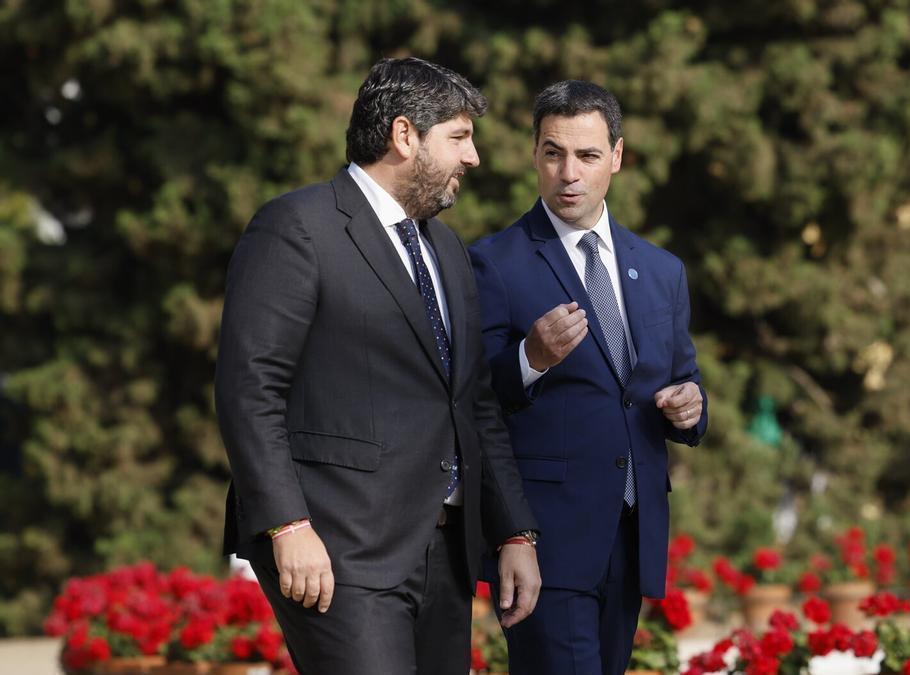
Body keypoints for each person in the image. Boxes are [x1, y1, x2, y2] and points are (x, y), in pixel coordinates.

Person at [214, 57, 540, 675]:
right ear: (404, 136)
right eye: (460, 137)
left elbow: (471, 404)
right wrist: (287, 524)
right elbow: (249, 389)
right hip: (339, 550)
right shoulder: (297, 227)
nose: (473, 158)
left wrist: (514, 533)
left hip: (444, 554)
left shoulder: (445, 248)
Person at [469, 80, 708, 675]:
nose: (568, 173)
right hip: (546, 543)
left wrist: (692, 407)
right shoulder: (494, 262)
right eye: (553, 153)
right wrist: (530, 357)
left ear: (618, 158)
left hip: (632, 538)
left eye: (587, 155)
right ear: (534, 156)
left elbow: (685, 386)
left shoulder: (661, 270)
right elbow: (472, 399)